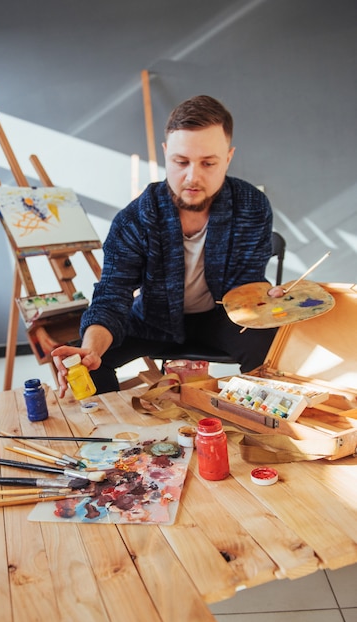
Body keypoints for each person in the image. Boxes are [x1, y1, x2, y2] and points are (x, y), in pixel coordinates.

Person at [52, 94, 279, 396]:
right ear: (165, 153)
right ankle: (114, 439)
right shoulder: (134, 218)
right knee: (91, 359)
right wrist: (91, 348)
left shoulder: (251, 205)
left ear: (228, 157)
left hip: (222, 316)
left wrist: (267, 296)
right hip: (152, 319)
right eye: (181, 161)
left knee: (275, 345)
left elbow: (247, 282)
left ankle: (263, 421)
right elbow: (113, 294)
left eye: (208, 163)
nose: (192, 177)